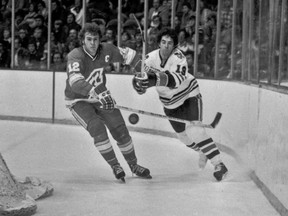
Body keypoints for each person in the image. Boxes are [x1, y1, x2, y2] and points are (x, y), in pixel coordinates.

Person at [132, 28, 228, 181]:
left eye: (170, 43)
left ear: (174, 46)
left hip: (189, 96)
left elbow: (175, 80)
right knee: (183, 137)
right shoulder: (149, 59)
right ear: (159, 44)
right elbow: (139, 80)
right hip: (170, 104)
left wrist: (152, 80)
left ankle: (219, 165)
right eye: (163, 42)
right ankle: (203, 149)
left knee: (195, 131)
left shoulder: (179, 58)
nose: (166, 46)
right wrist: (139, 85)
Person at [64, 23, 151, 182]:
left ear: (100, 40)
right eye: (89, 39)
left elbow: (129, 55)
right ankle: (115, 165)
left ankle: (134, 165)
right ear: (82, 40)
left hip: (101, 96)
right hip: (78, 100)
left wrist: (141, 70)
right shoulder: (75, 55)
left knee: (120, 129)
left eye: (95, 39)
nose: (92, 43)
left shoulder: (107, 50)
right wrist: (95, 91)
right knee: (97, 127)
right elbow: (75, 81)